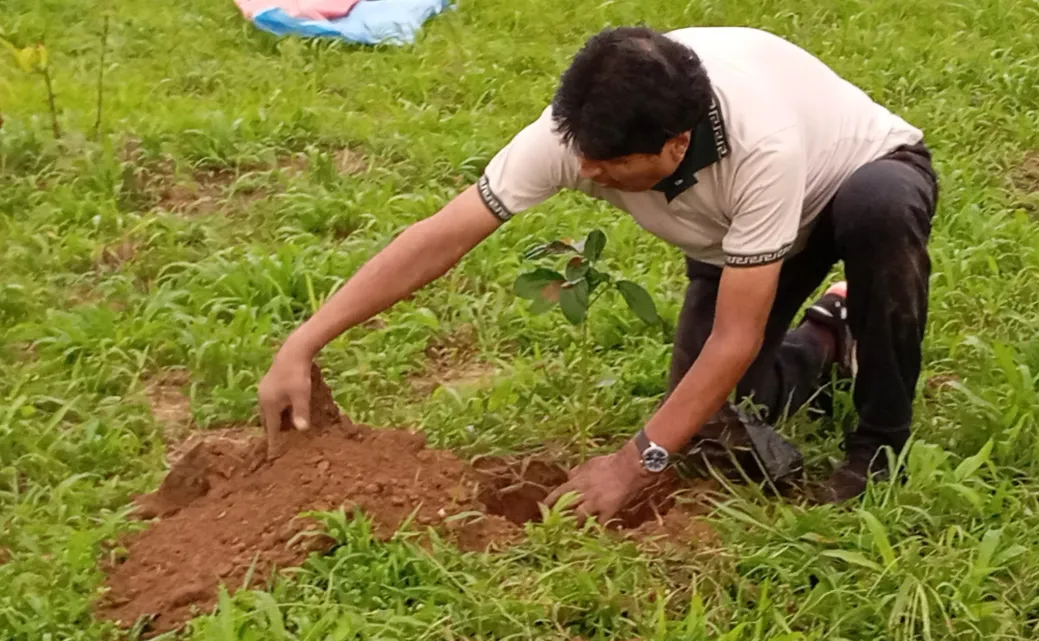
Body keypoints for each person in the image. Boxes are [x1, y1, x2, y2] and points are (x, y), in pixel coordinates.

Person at [257, 25, 938, 523]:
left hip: (850, 182)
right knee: (704, 426)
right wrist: (305, 339)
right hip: (740, 242)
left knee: (878, 210)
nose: (585, 173)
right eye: (582, 154)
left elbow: (734, 336)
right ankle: (829, 331)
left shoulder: (762, 144)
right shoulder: (583, 136)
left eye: (609, 166)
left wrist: (630, 461)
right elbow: (440, 237)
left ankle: (878, 442)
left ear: (675, 147)